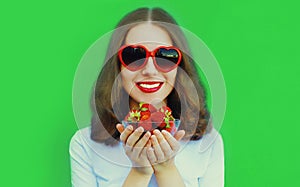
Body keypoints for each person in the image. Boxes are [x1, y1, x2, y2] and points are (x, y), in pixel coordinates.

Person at [70, 7, 224, 187]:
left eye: (165, 56)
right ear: (117, 66)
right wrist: (139, 172)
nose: (150, 70)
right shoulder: (85, 144)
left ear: (180, 67)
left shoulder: (207, 142)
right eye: (134, 55)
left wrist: (166, 169)